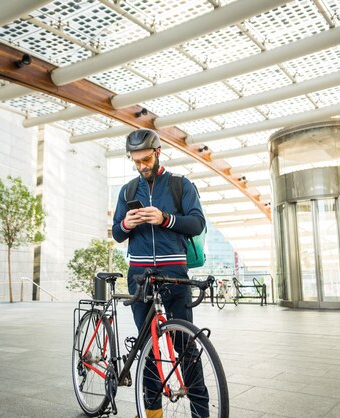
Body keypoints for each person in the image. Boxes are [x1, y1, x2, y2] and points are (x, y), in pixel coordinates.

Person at [112, 128, 208, 418]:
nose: (141, 167)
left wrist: (165, 219)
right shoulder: (128, 190)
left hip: (174, 272)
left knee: (185, 345)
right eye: (136, 161)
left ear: (157, 153)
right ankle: (152, 412)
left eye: (145, 160)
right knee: (147, 348)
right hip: (139, 274)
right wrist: (127, 223)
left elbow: (197, 224)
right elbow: (117, 233)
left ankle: (201, 414)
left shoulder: (180, 185)